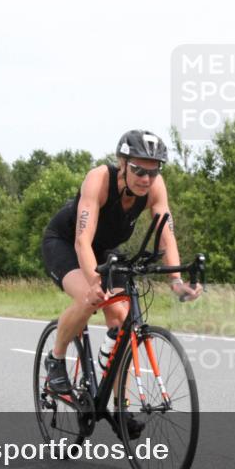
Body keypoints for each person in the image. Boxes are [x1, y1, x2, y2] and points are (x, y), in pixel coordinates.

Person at [40, 131, 203, 403]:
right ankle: (56, 361)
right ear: (122, 163)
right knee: (90, 298)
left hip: (105, 250)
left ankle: (120, 405)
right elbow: (82, 241)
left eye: (153, 172)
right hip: (66, 244)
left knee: (120, 317)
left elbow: (166, 234)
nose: (146, 179)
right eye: (139, 170)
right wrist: (94, 284)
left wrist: (176, 280)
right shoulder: (99, 180)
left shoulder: (155, 186)